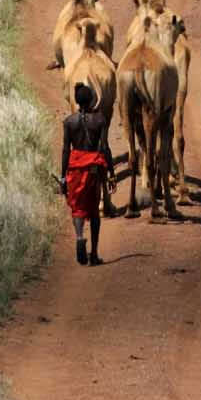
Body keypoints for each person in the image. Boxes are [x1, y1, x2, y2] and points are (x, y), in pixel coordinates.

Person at [57, 82, 113, 265]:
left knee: (78, 208)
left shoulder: (69, 122)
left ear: (76, 101)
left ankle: (80, 236)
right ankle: (94, 254)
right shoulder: (100, 120)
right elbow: (104, 148)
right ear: (91, 100)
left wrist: (63, 176)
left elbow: (66, 150)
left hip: (75, 168)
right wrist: (111, 173)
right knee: (94, 211)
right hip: (94, 170)